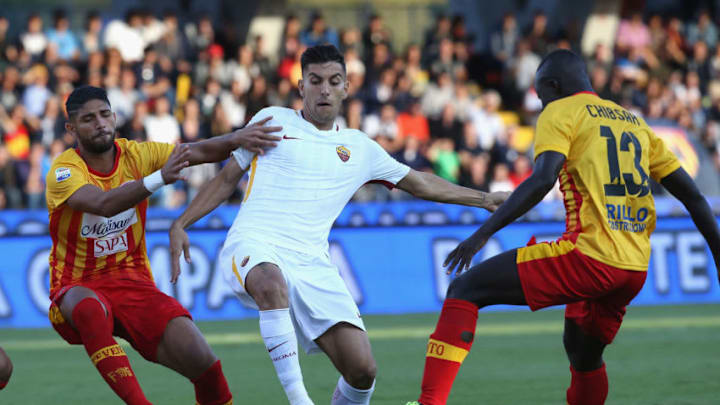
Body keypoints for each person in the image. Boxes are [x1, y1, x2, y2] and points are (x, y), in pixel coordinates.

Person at [169, 44, 509, 405]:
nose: (324, 89)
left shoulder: (359, 148)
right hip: (255, 243)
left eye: (333, 81)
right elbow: (225, 179)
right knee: (271, 283)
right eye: (315, 81)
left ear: (347, 87)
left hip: (312, 262)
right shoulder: (272, 120)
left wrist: (484, 198)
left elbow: (420, 182)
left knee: (362, 370)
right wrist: (182, 223)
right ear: (301, 87)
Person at [406, 49, 720, 405]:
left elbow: (541, 181)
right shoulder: (632, 122)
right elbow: (694, 196)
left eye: (541, 97)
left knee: (465, 288)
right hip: (634, 267)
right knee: (582, 354)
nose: (542, 106)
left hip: (589, 257)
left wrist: (482, 234)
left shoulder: (561, 111)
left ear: (553, 86)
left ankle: (428, 403)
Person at [45, 86, 282, 405]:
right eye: (88, 119)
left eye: (104, 115)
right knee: (90, 309)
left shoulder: (136, 155)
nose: (100, 123)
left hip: (134, 283)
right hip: (77, 287)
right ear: (71, 129)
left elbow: (197, 151)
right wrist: (158, 179)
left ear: (114, 117)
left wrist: (239, 138)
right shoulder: (63, 171)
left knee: (206, 364)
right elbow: (102, 204)